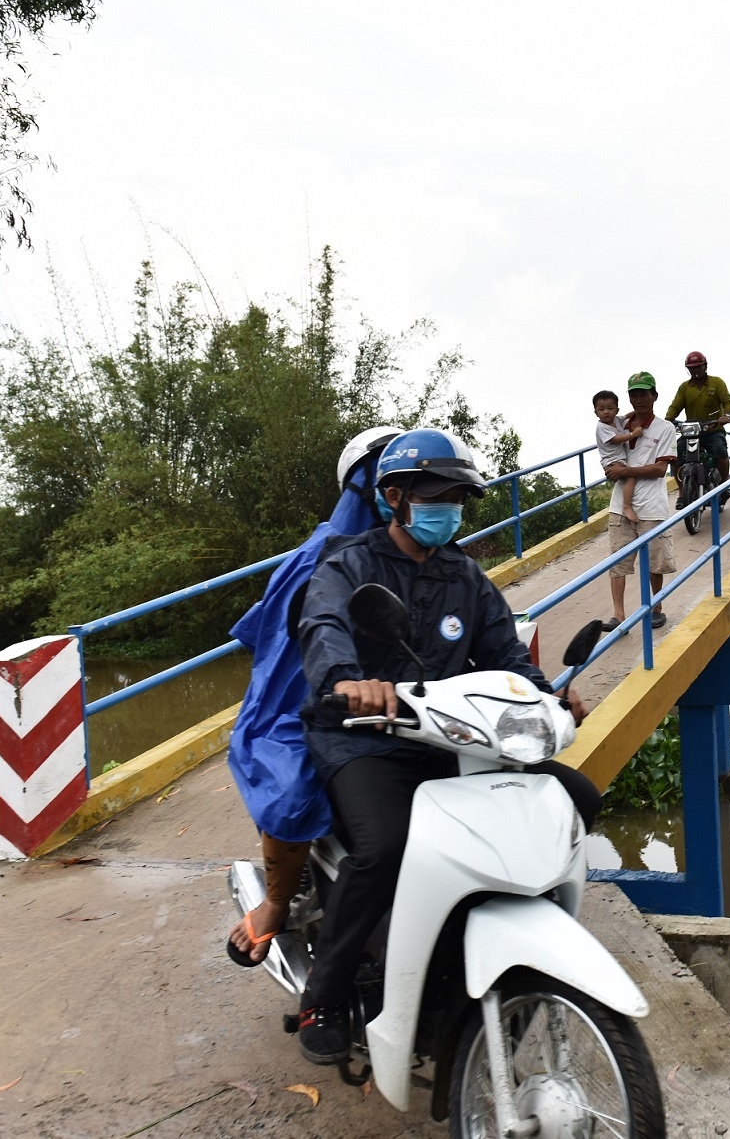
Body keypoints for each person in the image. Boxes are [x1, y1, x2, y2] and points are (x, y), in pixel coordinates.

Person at [291, 428, 602, 1065]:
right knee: (384, 846)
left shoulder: (464, 575)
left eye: (458, 497)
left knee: (576, 796)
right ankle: (322, 997)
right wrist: (348, 682)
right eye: (437, 495)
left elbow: (505, 652)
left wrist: (548, 696)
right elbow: (323, 623)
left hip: (450, 737)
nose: (450, 508)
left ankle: (486, 940)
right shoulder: (350, 564)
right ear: (395, 497)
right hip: (365, 739)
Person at [225, 425, 402, 967]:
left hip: (400, 706)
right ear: (368, 485)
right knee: (292, 781)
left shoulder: (426, 555)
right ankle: (278, 901)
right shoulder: (320, 559)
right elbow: (279, 652)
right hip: (307, 700)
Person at [604, 371, 678, 628]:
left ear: (654, 396)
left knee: (654, 562)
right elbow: (606, 451)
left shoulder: (665, 428)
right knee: (618, 562)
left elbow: (660, 470)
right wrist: (611, 469)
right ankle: (618, 615)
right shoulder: (618, 425)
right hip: (619, 506)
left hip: (651, 506)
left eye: (643, 394)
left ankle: (656, 607)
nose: (638, 399)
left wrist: (624, 471)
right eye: (634, 395)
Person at [664, 350, 730, 507]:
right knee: (675, 454)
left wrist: (726, 416)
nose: (695, 370)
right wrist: (667, 420)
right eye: (692, 368)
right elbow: (675, 406)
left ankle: (725, 485)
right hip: (692, 431)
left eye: (698, 367)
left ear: (705, 366)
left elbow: (727, 402)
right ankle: (682, 491)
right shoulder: (684, 387)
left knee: (720, 449)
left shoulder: (717, 383)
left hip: (713, 429)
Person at [594, 388, 642, 525]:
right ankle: (626, 507)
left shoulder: (616, 420)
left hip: (619, 459)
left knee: (628, 477)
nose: (606, 412)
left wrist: (638, 411)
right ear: (596, 412)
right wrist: (633, 434)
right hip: (611, 461)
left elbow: (626, 416)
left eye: (610, 408)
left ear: (616, 410)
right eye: (601, 409)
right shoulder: (602, 427)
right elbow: (615, 439)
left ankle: (627, 505)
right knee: (631, 477)